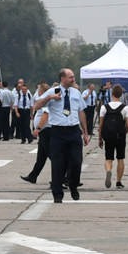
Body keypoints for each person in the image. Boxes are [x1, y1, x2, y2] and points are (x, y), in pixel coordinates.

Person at [40, 69, 89, 203]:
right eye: (71, 77)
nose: (73, 79)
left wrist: (85, 132)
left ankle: (73, 185)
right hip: (58, 132)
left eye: (73, 77)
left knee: (76, 161)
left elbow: (81, 112)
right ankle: (57, 192)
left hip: (73, 130)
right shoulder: (52, 92)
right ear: (63, 79)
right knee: (58, 163)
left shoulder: (76, 93)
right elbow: (36, 106)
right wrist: (49, 98)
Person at [98, 84, 128, 189]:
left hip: (108, 136)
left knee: (109, 157)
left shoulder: (104, 107)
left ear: (111, 94)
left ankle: (108, 171)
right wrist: (124, 132)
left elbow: (101, 124)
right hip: (120, 136)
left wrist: (100, 138)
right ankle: (119, 182)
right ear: (121, 95)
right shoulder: (125, 108)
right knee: (120, 158)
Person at [21, 81, 52, 184]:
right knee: (41, 157)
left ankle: (63, 176)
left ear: (41, 92)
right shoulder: (44, 100)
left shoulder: (44, 101)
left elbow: (45, 115)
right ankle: (33, 176)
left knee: (53, 156)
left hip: (46, 130)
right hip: (44, 130)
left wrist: (38, 128)